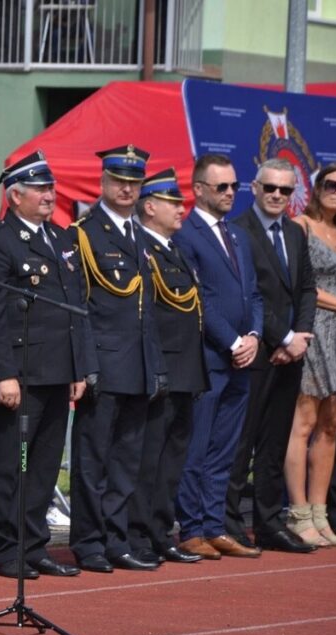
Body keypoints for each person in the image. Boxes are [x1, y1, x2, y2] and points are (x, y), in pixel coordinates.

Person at [0, 150, 95, 579]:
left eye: (50, 188)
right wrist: (3, 374)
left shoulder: (60, 239)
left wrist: (79, 369)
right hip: (18, 374)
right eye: (40, 189)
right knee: (8, 465)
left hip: (57, 372)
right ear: (15, 194)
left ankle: (34, 545)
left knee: (42, 467)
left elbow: (73, 307)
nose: (48, 195)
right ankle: (6, 551)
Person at [70, 145, 167, 573]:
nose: (127, 189)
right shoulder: (85, 233)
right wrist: (86, 365)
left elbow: (148, 312)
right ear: (104, 183)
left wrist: (156, 365)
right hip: (104, 366)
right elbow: (82, 309)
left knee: (126, 461)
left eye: (134, 182)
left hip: (139, 366)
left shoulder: (141, 237)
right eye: (119, 181)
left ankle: (116, 538)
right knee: (92, 461)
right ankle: (89, 542)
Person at [225, 159, 317, 553]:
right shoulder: (239, 231)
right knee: (240, 442)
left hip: (291, 353)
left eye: (285, 190)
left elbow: (308, 288)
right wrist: (284, 336)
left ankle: (267, 522)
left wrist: (301, 338)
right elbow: (250, 295)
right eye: (270, 189)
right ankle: (227, 522)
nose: (277, 196)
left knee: (275, 443)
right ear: (255, 188)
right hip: (255, 352)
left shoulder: (295, 233)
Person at [174, 153, 263, 560]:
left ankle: (215, 525)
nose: (230, 193)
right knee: (198, 447)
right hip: (210, 358)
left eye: (234, 186)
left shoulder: (238, 235)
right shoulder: (186, 234)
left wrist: (256, 336)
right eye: (221, 187)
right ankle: (191, 528)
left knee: (224, 450)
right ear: (199, 190)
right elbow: (199, 300)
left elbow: (253, 294)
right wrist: (232, 343)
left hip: (242, 359)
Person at [127, 168, 208, 565]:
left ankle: (160, 532)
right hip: (159, 370)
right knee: (149, 459)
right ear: (150, 206)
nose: (182, 210)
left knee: (171, 459)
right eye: (174, 203)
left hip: (184, 370)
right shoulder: (141, 246)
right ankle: (138, 535)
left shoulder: (174, 249)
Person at [283, 163, 336, 547]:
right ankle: (298, 512)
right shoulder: (301, 227)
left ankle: (321, 515)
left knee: (332, 422)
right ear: (318, 187)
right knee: (303, 422)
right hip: (314, 327)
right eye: (332, 184)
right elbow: (300, 284)